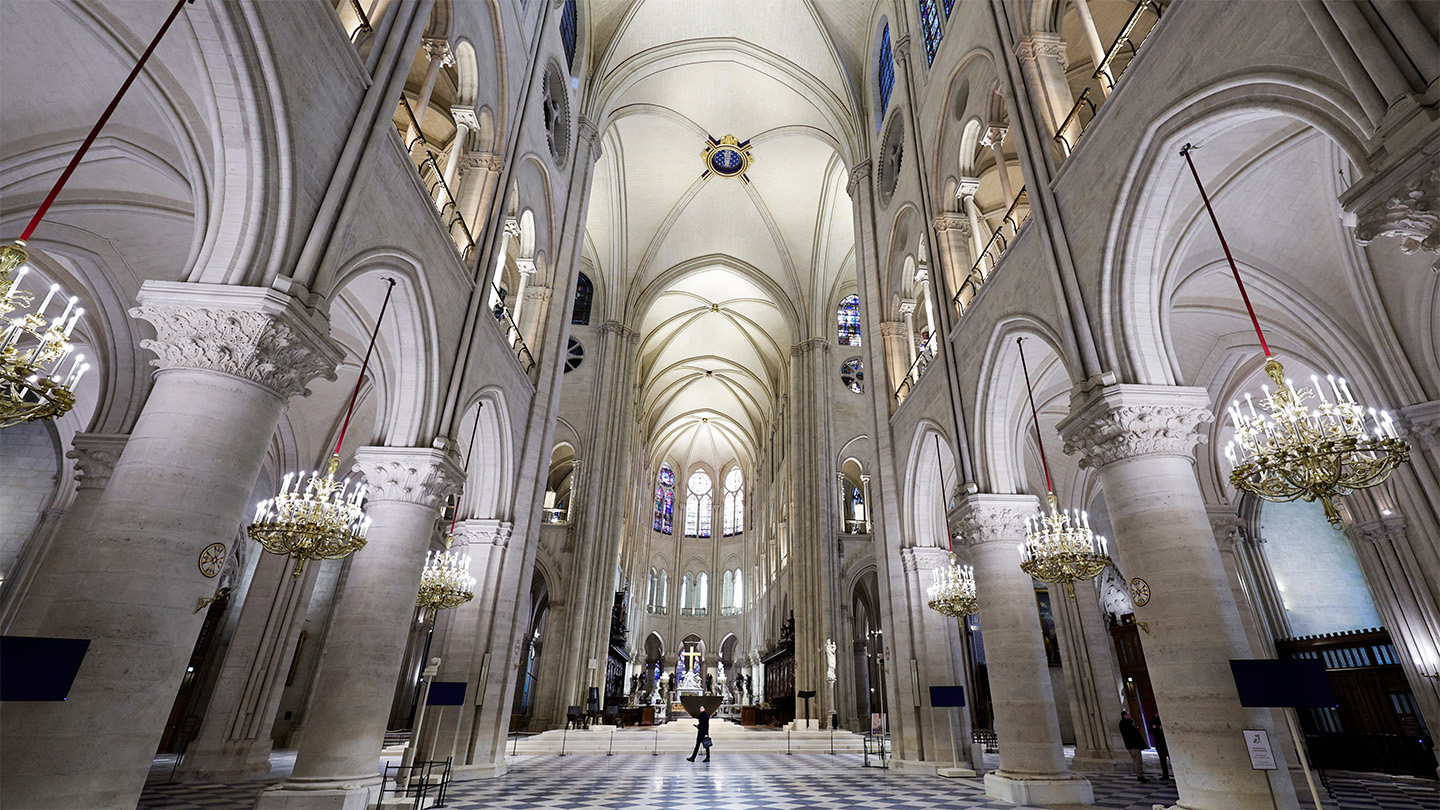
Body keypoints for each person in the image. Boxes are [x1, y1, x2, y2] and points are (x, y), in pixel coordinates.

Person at [1119, 710, 1148, 782]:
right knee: (1137, 760)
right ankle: (1140, 775)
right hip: (1133, 745)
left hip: (1132, 745)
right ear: (1124, 716)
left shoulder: (1126, 723)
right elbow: (1131, 735)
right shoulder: (1126, 724)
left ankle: (1139, 774)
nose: (1129, 716)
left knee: (1136, 760)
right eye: (1128, 715)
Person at [1148, 713, 1170, 779]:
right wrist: (1153, 728)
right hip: (1159, 744)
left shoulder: (1164, 719)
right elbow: (1150, 730)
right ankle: (1165, 775)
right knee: (1163, 761)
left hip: (1166, 743)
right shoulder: (1153, 721)